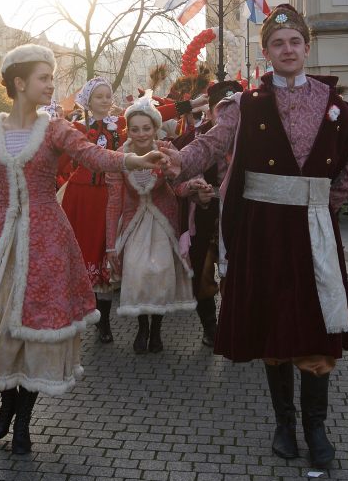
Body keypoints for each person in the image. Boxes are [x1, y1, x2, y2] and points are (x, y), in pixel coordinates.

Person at [160, 4, 348, 469]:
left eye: (295, 41)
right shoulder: (246, 104)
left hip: (313, 229)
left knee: (315, 326)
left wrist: (330, 202)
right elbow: (212, 142)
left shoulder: (335, 107)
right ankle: (283, 423)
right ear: (268, 53)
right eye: (278, 43)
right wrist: (178, 161)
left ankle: (316, 427)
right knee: (275, 323)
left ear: (307, 47)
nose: (287, 49)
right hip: (265, 229)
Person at [0, 44, 165, 455]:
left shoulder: (55, 130)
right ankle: (6, 404)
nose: (51, 85)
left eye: (51, 77)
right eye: (44, 78)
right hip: (2, 239)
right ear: (19, 83)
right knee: (1, 324)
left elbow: (94, 156)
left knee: (39, 325)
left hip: (47, 237)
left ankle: (25, 420)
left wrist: (134, 161)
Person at [57, 76, 202, 343]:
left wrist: (190, 104)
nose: (104, 101)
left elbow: (153, 114)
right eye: (98, 97)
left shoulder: (123, 123)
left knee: (114, 253)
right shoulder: (75, 127)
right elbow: (59, 158)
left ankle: (134, 320)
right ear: (87, 101)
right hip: (85, 195)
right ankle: (101, 322)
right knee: (92, 253)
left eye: (107, 96)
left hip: (117, 192)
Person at [105, 93, 197, 354]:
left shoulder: (168, 151)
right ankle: (142, 326)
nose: (141, 133)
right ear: (128, 130)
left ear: (155, 128)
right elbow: (112, 203)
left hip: (162, 222)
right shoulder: (118, 158)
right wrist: (111, 245)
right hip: (134, 222)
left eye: (146, 128)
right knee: (136, 271)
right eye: (135, 129)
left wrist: (192, 187)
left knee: (160, 273)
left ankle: (156, 329)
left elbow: (179, 187)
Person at [172, 79, 243, 346]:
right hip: (202, 215)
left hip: (239, 214)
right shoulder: (193, 138)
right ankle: (209, 326)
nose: (227, 117)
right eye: (220, 110)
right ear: (212, 110)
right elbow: (173, 180)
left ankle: (234, 322)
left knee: (236, 273)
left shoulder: (252, 139)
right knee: (202, 272)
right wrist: (191, 189)